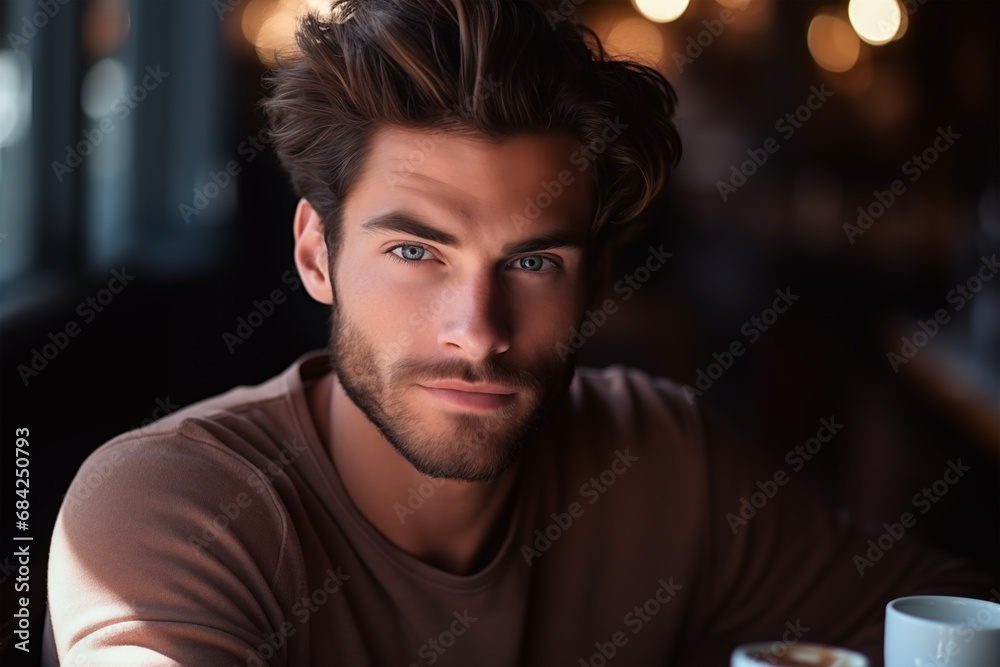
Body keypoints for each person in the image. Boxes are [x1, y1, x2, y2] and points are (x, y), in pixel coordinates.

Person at [46, 1, 992, 665]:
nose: (479, 331)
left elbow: (961, 623)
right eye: (418, 251)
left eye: (534, 262)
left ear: (599, 283)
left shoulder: (663, 461)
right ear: (317, 254)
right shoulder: (166, 507)